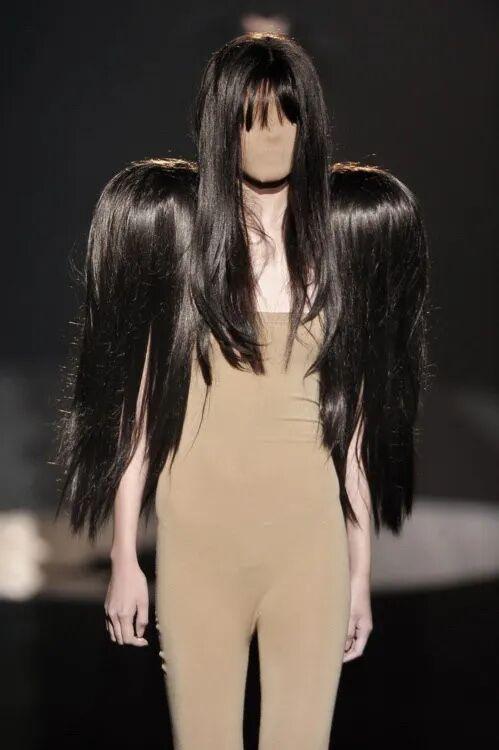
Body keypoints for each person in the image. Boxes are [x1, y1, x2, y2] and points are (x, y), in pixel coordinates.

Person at [55, 32, 430, 750]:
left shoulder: (339, 251)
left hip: (307, 551)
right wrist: (126, 556)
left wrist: (359, 573)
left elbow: (349, 426)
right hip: (199, 549)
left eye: (287, 115)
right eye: (250, 119)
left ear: (311, 124)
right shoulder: (181, 245)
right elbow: (139, 416)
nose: (271, 136)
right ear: (219, 125)